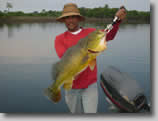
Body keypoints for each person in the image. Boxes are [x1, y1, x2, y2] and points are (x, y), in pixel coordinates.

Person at [54, 3, 126, 113]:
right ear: (64, 20)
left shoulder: (91, 33)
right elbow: (65, 59)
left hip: (90, 86)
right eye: (67, 18)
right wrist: (73, 72)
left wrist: (117, 21)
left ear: (78, 18)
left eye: (73, 17)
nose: (70, 20)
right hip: (71, 88)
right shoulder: (59, 39)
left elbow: (108, 35)